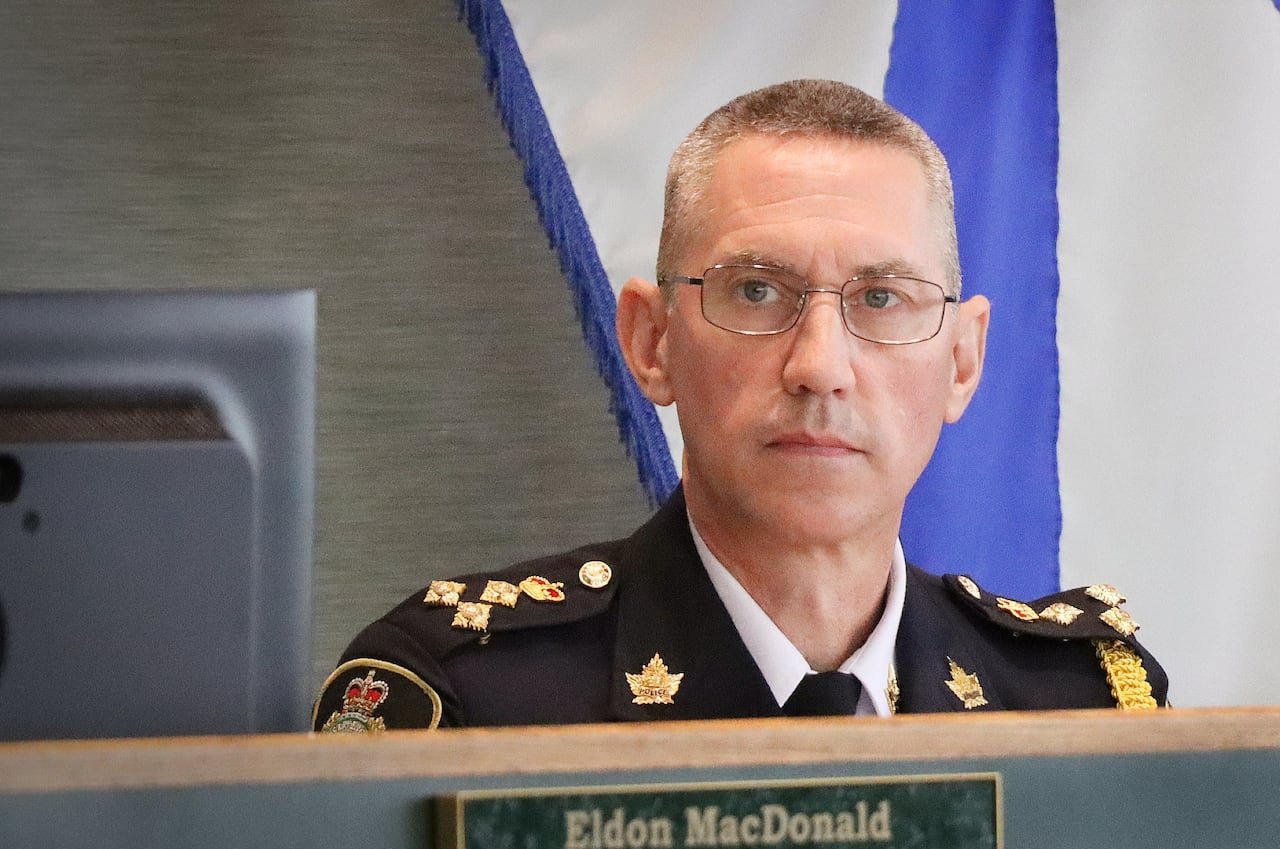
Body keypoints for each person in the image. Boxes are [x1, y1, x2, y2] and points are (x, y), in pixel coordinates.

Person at [313, 79, 1167, 732]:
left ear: (962, 361)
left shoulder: (1084, 707)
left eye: (881, 298)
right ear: (653, 342)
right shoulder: (468, 698)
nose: (821, 366)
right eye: (757, 290)